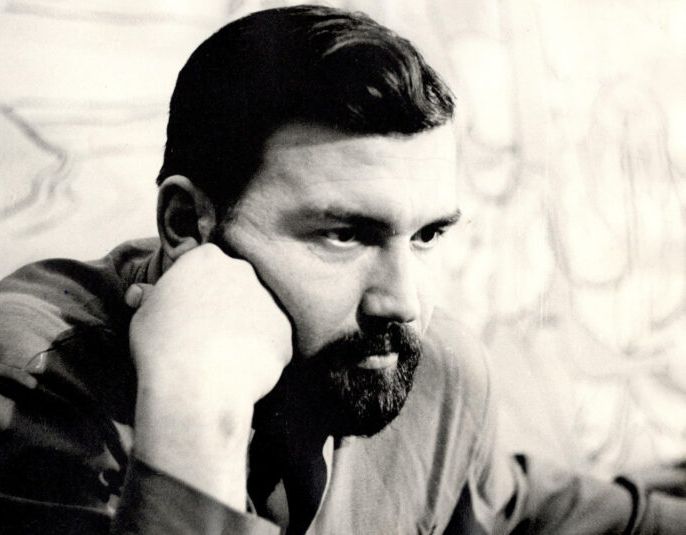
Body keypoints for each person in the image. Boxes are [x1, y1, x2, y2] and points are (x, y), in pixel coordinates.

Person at [0, 5, 684, 534]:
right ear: (186, 224)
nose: (403, 301)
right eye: (345, 235)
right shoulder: (31, 383)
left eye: (426, 235)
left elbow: (522, 509)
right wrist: (195, 416)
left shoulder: (433, 374)